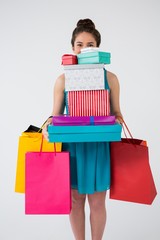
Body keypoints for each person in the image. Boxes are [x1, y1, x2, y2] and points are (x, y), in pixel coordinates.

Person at [43, 18, 123, 240]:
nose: (84, 49)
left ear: (98, 48)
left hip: (99, 147)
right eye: (80, 44)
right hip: (73, 147)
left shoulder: (111, 79)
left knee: (97, 202)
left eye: (90, 45)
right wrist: (46, 127)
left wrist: (114, 121)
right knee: (76, 200)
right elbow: (55, 116)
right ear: (72, 48)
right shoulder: (62, 80)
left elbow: (118, 113)